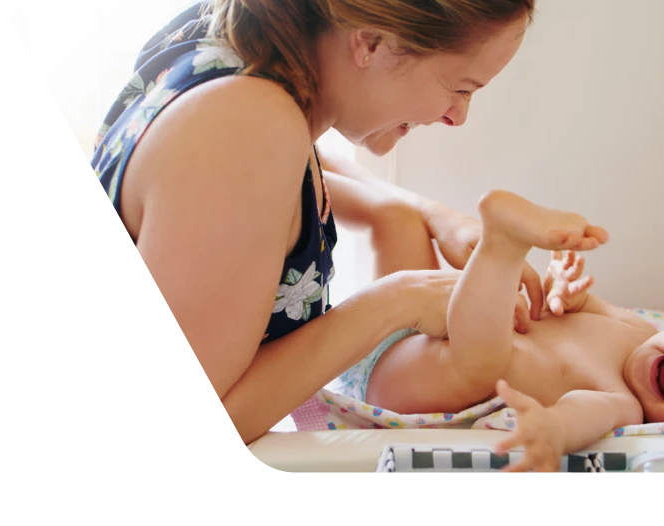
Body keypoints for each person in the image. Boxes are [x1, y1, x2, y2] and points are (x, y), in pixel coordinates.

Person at [88, 0, 545, 446]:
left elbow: (292, 163)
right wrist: (397, 301)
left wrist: (434, 214)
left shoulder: (239, 46)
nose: (457, 116)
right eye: (461, 88)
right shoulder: (246, 126)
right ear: (370, 41)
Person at [337, 189, 664, 475]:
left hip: (408, 381)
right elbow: (577, 308)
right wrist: (565, 291)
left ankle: (503, 244)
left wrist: (552, 432)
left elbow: (580, 419)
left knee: (482, 364)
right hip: (415, 319)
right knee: (398, 219)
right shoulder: (638, 327)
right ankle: (293, 177)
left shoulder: (623, 405)